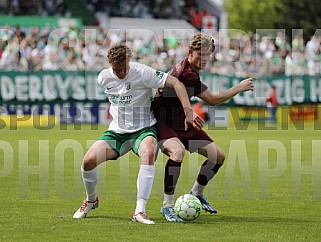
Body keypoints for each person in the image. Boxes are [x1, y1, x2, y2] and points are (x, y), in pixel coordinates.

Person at [73, 44, 202, 224]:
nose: (121, 72)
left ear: (129, 61)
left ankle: (140, 211)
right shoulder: (103, 78)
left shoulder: (143, 73)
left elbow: (177, 84)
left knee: (148, 153)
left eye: (124, 67)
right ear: (110, 64)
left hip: (144, 129)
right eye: (117, 69)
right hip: (117, 132)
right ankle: (91, 200)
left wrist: (188, 110)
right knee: (87, 161)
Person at [151, 33, 254, 222]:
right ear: (191, 52)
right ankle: (167, 205)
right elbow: (213, 99)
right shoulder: (187, 73)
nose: (205, 59)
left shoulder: (188, 67)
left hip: (182, 120)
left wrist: (187, 112)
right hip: (164, 123)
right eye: (201, 54)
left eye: (208, 55)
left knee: (218, 156)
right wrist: (238, 88)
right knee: (177, 153)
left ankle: (197, 192)